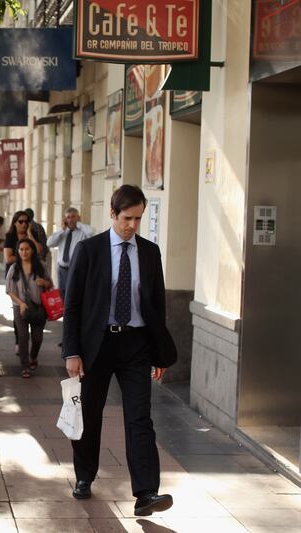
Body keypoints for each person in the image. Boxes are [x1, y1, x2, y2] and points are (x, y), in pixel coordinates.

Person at [62, 185, 176, 516]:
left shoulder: (150, 252)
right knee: (89, 415)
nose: (133, 225)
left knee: (140, 418)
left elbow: (157, 306)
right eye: (127, 218)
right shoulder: (90, 250)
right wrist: (72, 352)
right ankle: (84, 476)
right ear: (112, 214)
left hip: (136, 345)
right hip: (96, 345)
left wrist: (159, 353)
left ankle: (145, 493)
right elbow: (73, 306)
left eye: (138, 218)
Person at [6, 239, 52, 378]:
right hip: (20, 307)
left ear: (32, 250)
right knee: (23, 336)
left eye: (27, 249)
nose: (24, 252)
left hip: (38, 307)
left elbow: (50, 285)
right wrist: (20, 303)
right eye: (21, 249)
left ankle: (33, 357)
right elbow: (9, 290)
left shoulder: (41, 266)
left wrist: (44, 282)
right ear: (18, 251)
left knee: (37, 338)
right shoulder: (14, 268)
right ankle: (25, 366)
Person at [47, 207, 95, 298]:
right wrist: (62, 230)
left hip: (76, 269)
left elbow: (92, 233)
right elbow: (49, 243)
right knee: (63, 294)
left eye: (73, 217)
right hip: (62, 269)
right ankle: (65, 312)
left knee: (74, 294)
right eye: (68, 217)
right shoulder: (62, 232)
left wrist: (79, 224)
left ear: (78, 218)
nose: (70, 220)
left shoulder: (82, 232)